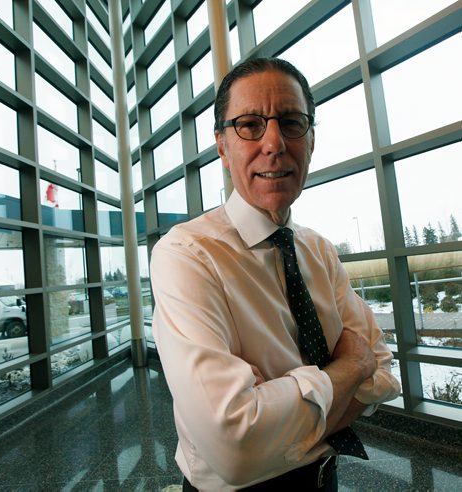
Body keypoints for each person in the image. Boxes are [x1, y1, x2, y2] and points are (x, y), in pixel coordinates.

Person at [150, 57, 400, 491]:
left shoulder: (319, 251)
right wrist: (349, 366)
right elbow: (236, 448)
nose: (274, 142)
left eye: (291, 122)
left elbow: (380, 374)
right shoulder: (187, 254)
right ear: (223, 147)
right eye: (249, 124)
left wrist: (283, 402)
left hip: (326, 479)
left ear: (311, 140)